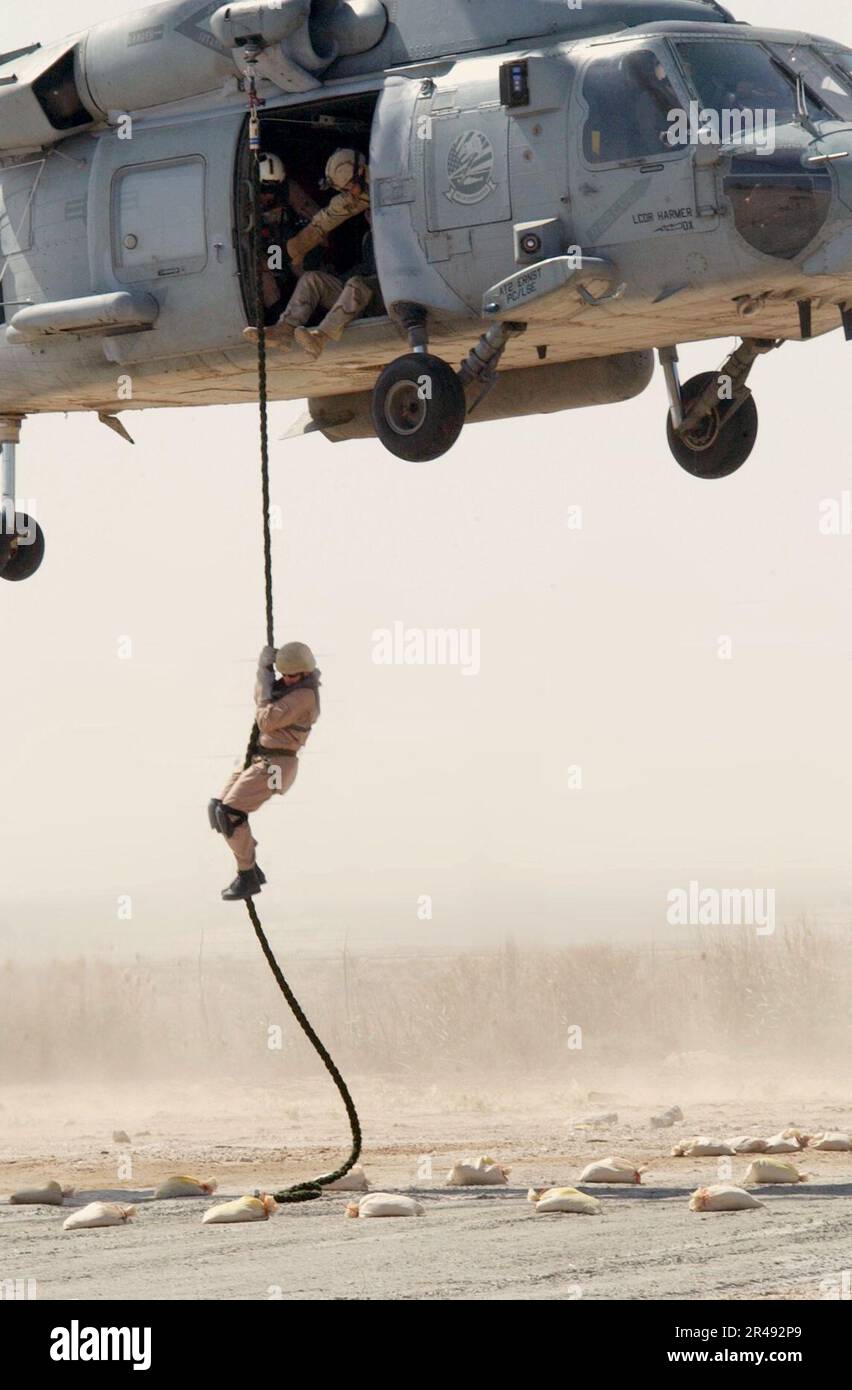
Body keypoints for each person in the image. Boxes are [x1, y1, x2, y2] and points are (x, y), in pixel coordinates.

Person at [208, 642, 321, 901]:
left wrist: (263, 675)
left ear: (305, 673)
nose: (286, 678)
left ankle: (247, 874)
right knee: (218, 810)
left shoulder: (304, 696)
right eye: (284, 674)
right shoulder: (290, 688)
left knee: (231, 814)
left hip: (276, 765)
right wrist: (266, 675)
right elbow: (263, 706)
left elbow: (265, 719)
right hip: (261, 758)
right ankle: (251, 868)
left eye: (292, 675)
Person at [259, 149, 378, 356]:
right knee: (310, 278)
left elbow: (312, 214)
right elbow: (324, 219)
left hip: (382, 291)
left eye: (351, 187)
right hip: (275, 251)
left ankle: (320, 337)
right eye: (345, 190)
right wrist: (291, 250)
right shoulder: (357, 206)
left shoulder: (384, 193)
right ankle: (283, 330)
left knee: (355, 283)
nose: (352, 194)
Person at [243, 153, 321, 333]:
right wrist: (263, 219)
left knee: (301, 268)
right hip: (264, 249)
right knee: (268, 274)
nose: (269, 195)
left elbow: (314, 214)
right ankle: (278, 317)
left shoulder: (287, 189)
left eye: (274, 190)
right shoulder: (243, 194)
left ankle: (313, 307)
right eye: (264, 189)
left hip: (286, 242)